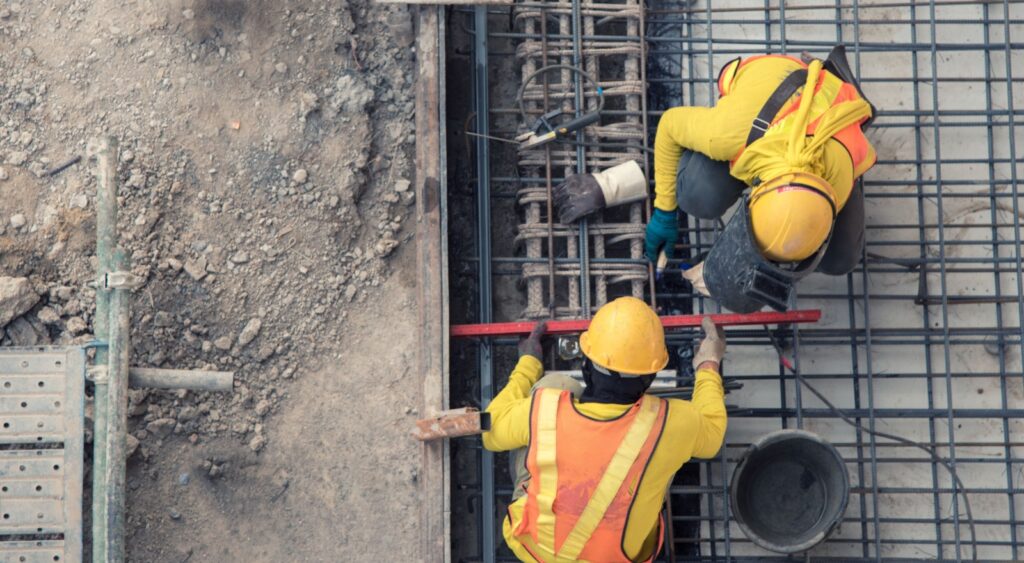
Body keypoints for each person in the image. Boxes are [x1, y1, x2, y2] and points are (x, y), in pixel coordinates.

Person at [554, 46, 876, 312]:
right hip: (773, 89)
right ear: (755, 192)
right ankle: (819, 70)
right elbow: (668, 126)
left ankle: (839, 82)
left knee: (841, 258)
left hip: (833, 119)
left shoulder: (840, 174)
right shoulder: (729, 134)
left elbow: (793, 237)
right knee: (697, 195)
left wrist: (725, 270)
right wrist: (665, 210)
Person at [483, 297, 727, 562]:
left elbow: (491, 431)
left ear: (586, 366)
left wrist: (528, 362)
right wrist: (708, 363)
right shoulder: (671, 423)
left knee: (556, 383)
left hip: (532, 552)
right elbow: (713, 432)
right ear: (650, 378)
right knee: (661, 455)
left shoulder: (545, 409)